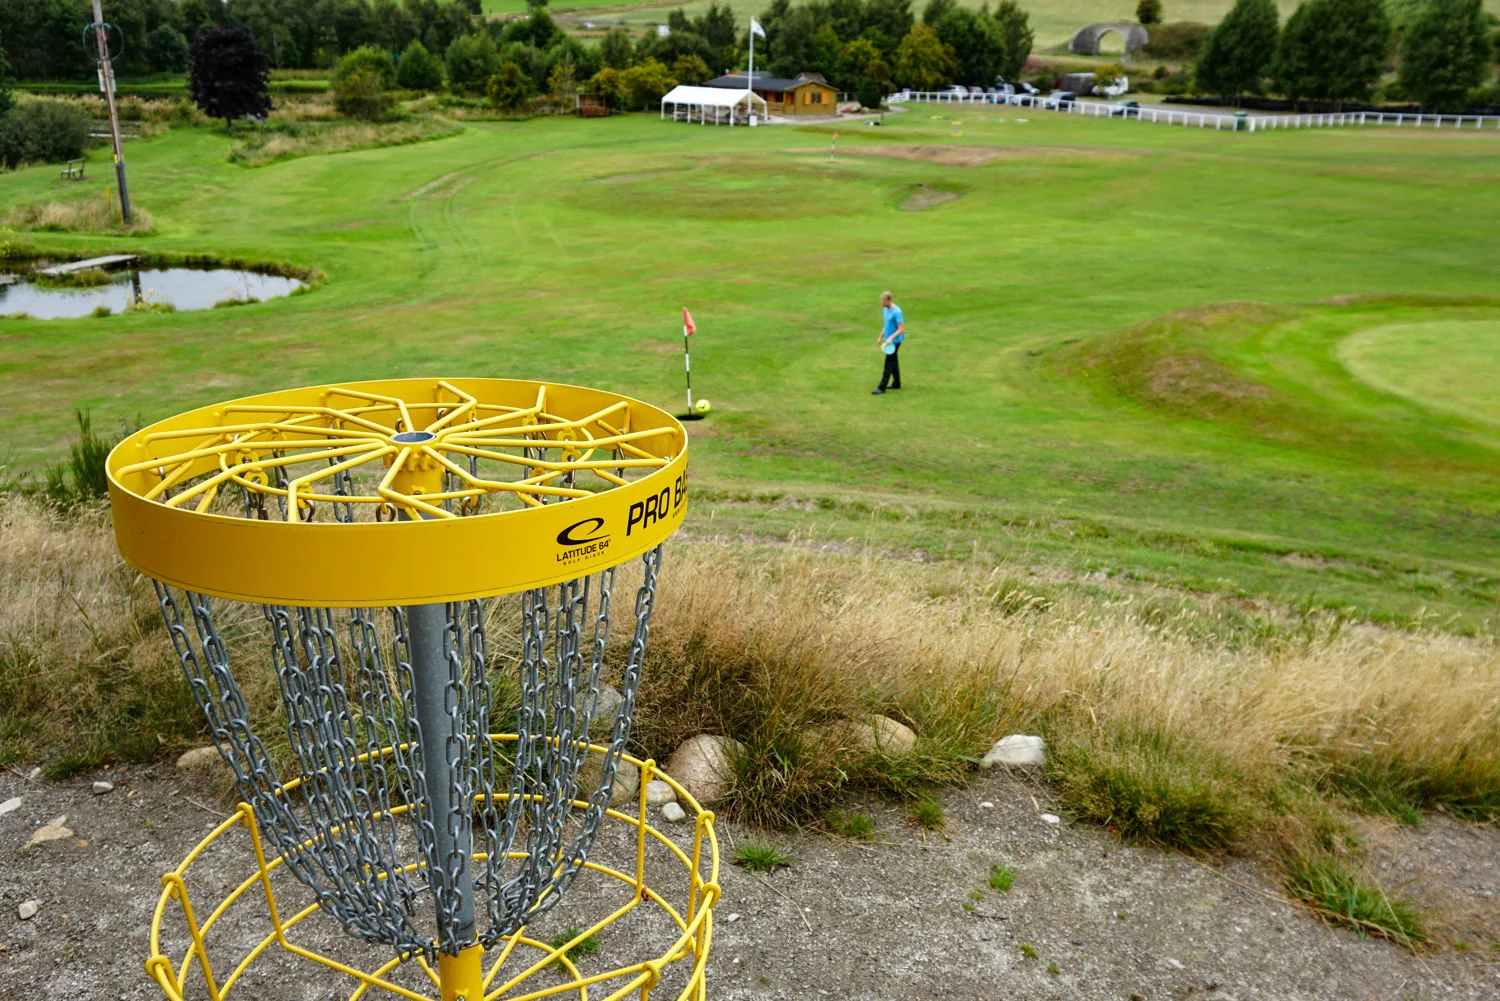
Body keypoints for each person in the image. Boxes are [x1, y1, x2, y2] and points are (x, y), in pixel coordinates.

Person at [872, 290, 904, 394]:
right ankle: (896, 384)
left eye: (883, 301)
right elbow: (886, 326)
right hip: (888, 341)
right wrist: (880, 337)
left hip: (895, 341)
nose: (881, 303)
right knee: (893, 361)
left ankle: (882, 387)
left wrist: (891, 338)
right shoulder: (885, 310)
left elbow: (900, 329)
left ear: (888, 300)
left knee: (889, 363)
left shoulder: (897, 312)